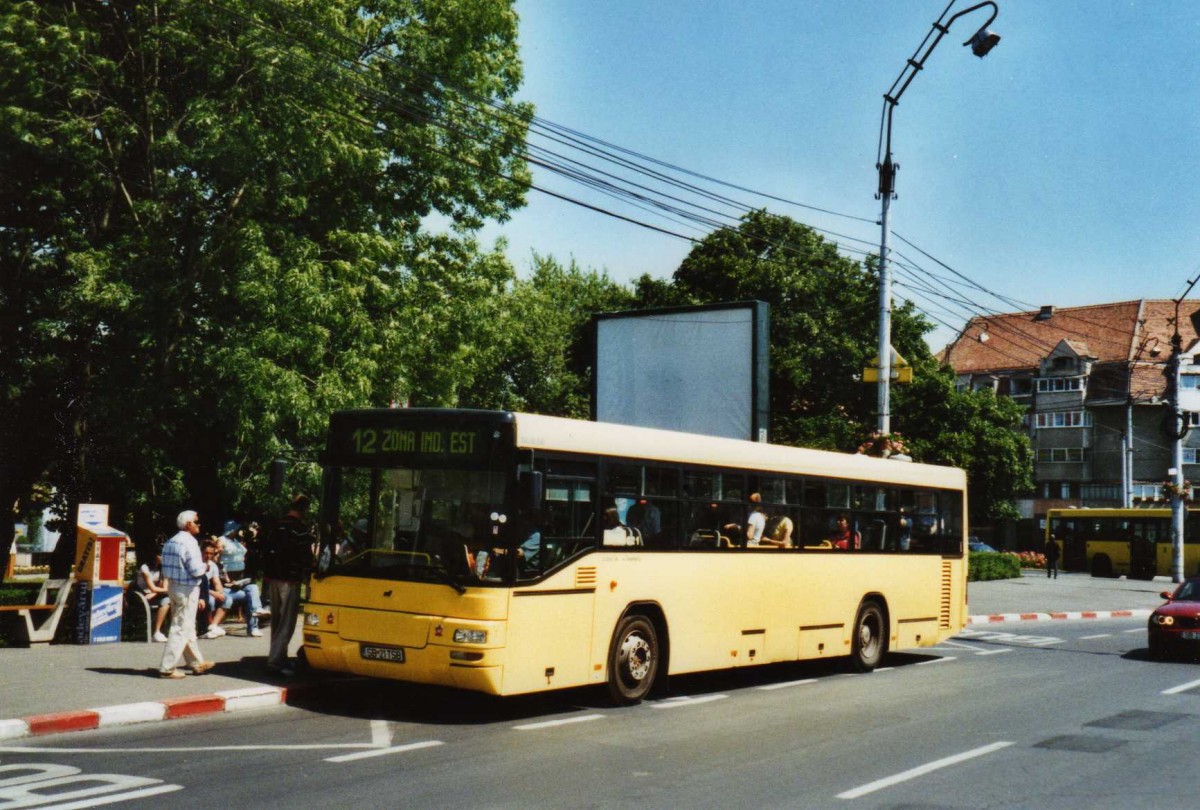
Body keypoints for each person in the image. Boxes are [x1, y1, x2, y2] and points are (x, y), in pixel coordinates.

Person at [158, 510, 216, 679]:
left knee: (187, 626)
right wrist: (206, 566)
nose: (199, 525)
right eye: (197, 522)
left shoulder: (171, 541)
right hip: (187, 588)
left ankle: (196, 663)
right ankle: (167, 668)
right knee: (181, 627)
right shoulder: (190, 543)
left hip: (174, 587)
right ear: (189, 524)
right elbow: (197, 570)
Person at [263, 495, 315, 676]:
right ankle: (276, 662)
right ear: (304, 510)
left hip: (273, 578)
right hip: (290, 579)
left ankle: (277, 656)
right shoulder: (300, 530)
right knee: (287, 622)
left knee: (276, 620)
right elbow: (305, 556)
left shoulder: (277, 525)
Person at [137, 548, 171, 643]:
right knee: (167, 599)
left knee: (169, 600)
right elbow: (152, 587)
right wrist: (156, 591)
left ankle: (168, 632)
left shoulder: (163, 568)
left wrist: (155, 593)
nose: (163, 558)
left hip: (154, 594)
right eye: (160, 555)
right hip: (141, 595)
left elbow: (165, 586)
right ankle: (156, 632)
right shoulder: (145, 568)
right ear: (154, 556)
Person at [198, 539, 226, 638]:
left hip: (208, 590)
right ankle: (207, 627)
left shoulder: (213, 565)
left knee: (227, 598)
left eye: (211, 554)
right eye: (206, 553)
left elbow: (216, 581)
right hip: (198, 591)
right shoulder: (196, 564)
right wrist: (214, 593)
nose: (209, 556)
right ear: (201, 551)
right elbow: (198, 585)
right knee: (210, 601)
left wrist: (220, 591)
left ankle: (213, 625)